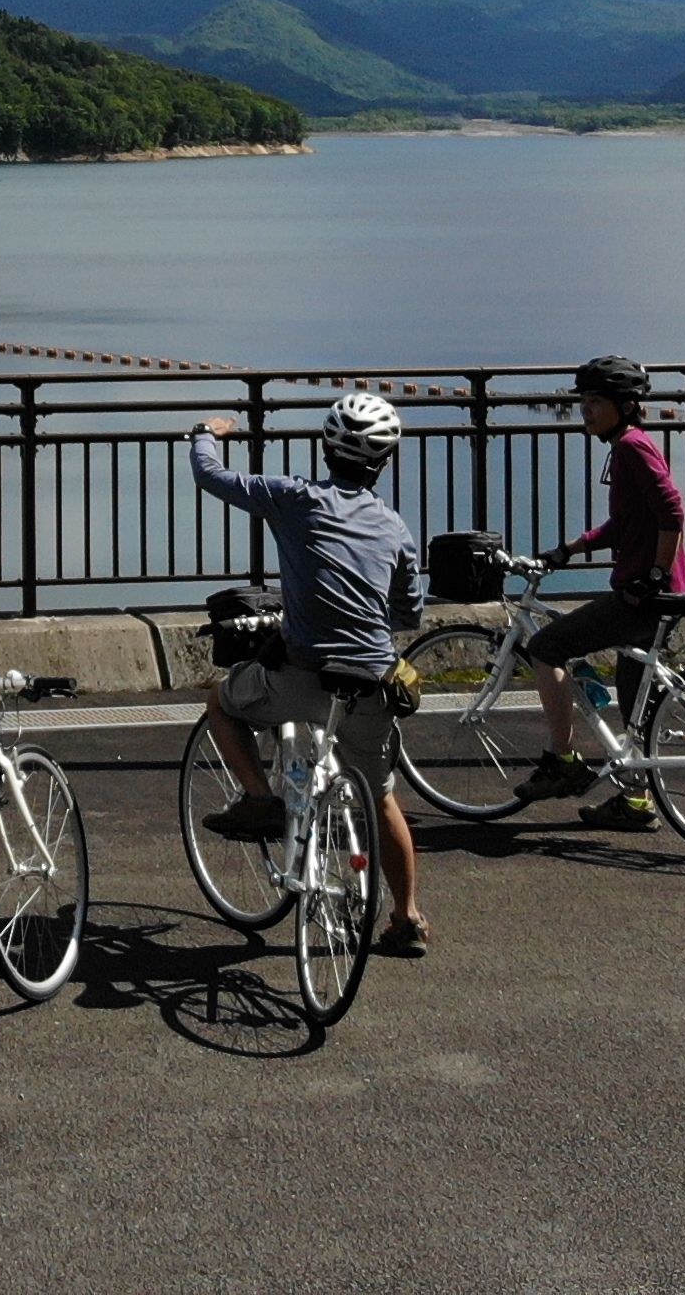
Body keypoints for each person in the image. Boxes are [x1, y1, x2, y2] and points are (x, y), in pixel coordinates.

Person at [188, 393, 432, 956]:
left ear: (326, 449)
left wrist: (204, 430)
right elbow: (408, 613)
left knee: (220, 704)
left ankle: (259, 799)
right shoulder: (394, 528)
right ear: (385, 460)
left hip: (302, 674)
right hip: (371, 681)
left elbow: (212, 476)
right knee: (382, 794)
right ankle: (408, 916)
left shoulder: (295, 498)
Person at [516, 355, 685, 831]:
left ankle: (562, 760)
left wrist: (655, 574)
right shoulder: (629, 447)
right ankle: (635, 802)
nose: (585, 411)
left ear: (626, 405)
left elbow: (671, 511)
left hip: (645, 597)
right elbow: (627, 523)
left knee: (546, 645)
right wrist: (570, 549)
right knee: (636, 708)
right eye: (584, 401)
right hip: (653, 594)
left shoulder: (632, 448)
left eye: (595, 402)